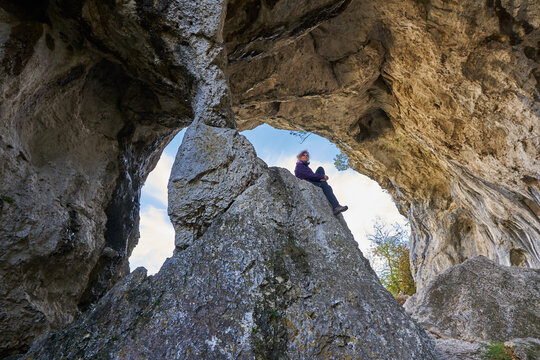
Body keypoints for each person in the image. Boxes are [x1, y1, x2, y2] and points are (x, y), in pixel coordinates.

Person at [294, 150, 348, 215]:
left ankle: (324, 183)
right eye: (303, 155)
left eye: (307, 156)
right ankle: (336, 207)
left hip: (312, 180)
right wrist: (322, 176)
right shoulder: (299, 166)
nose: (305, 156)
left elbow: (312, 176)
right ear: (299, 157)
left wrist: (321, 178)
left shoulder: (305, 167)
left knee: (320, 169)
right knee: (326, 187)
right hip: (307, 183)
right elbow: (309, 176)